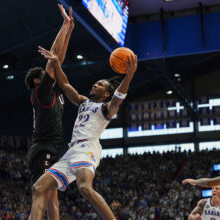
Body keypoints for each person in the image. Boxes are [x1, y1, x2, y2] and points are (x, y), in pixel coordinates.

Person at [30, 44, 138, 220]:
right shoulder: (83, 102)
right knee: (38, 187)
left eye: (100, 84)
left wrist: (129, 75)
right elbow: (64, 84)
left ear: (106, 94)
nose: (95, 84)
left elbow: (118, 99)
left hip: (88, 149)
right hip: (71, 151)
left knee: (84, 187)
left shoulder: (106, 109)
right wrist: (56, 62)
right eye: (96, 82)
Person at [24, 4, 74, 220]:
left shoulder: (52, 91)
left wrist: (70, 28)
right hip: (42, 150)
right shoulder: (41, 91)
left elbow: (57, 61)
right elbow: (53, 59)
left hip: (51, 149)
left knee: (53, 200)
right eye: (44, 76)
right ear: (38, 81)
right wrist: (64, 25)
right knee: (42, 193)